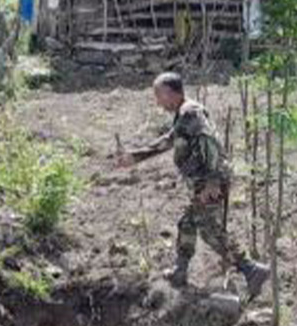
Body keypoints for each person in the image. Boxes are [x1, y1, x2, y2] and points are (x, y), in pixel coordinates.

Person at [116, 72, 270, 298]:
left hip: (210, 182)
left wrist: (213, 180)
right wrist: (134, 157)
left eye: (158, 95)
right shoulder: (182, 116)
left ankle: (251, 269)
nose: (157, 102)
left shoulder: (191, 113)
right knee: (187, 223)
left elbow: (212, 143)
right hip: (203, 182)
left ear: (170, 93)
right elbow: (167, 141)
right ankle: (181, 271)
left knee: (209, 231)